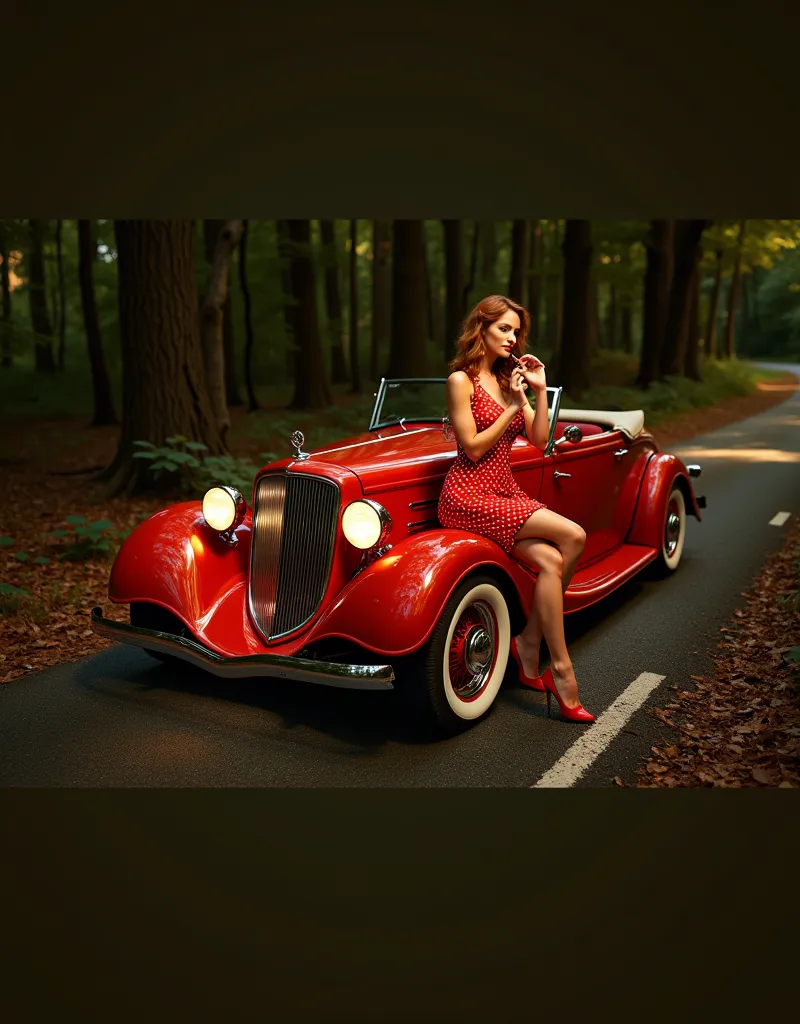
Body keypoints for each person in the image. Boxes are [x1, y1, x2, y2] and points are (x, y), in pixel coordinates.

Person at [438, 294, 594, 724]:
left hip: (502, 491)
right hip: (468, 496)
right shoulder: (461, 381)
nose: (512, 338)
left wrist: (539, 393)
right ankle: (561, 669)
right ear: (481, 329)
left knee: (550, 561)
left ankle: (528, 644)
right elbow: (470, 448)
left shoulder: (511, 377)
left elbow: (541, 440)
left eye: (516, 331)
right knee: (574, 536)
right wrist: (510, 408)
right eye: (504, 329)